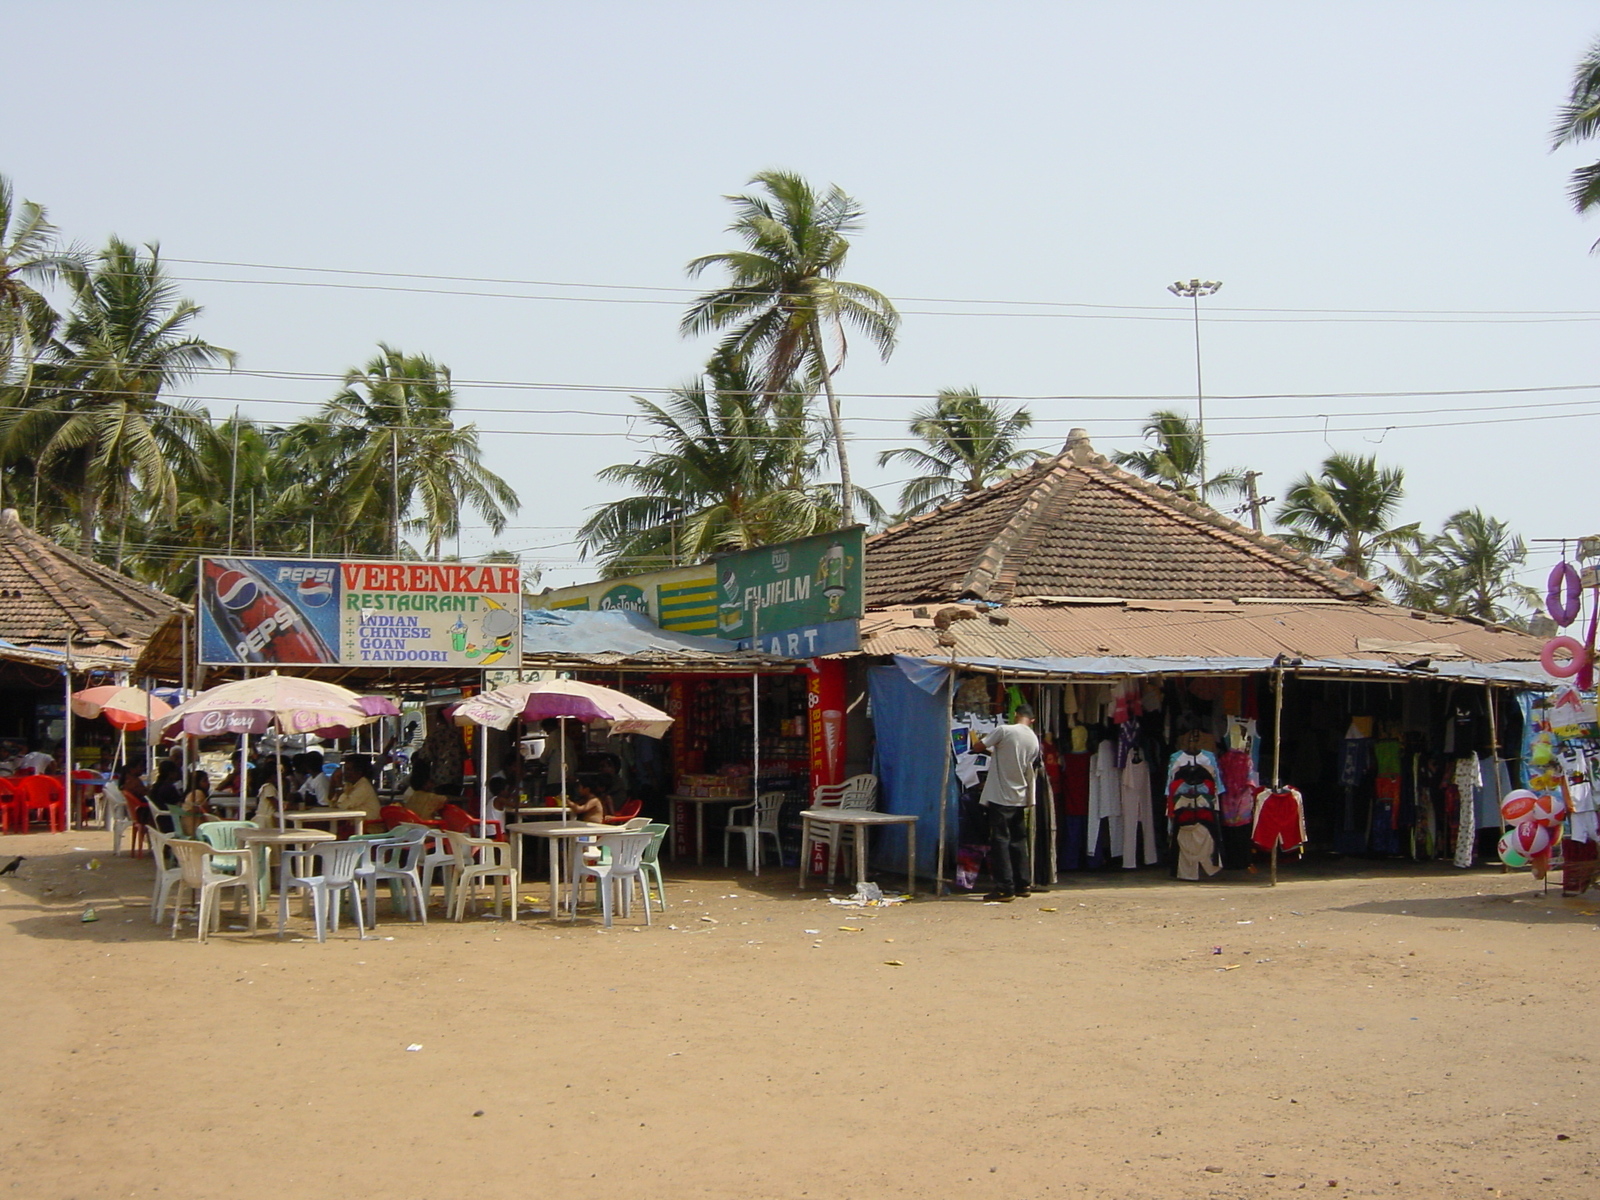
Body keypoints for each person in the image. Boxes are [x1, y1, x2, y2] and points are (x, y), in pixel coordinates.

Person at [973, 705, 1041, 902]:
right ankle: (1023, 884)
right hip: (1020, 796)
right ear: (1032, 720)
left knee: (1000, 841)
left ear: (1015, 715)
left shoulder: (1004, 730)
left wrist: (977, 739)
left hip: (1001, 796)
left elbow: (978, 747)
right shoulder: (1033, 740)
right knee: (1018, 841)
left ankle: (1005, 888)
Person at [335, 754, 382, 826]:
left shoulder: (363, 787)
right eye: (345, 769)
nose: (344, 773)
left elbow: (342, 806)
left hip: (369, 828)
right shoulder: (350, 784)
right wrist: (333, 783)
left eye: (348, 770)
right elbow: (334, 803)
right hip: (356, 824)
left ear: (359, 772)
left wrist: (339, 786)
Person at [146, 759, 183, 833]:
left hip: (158, 821)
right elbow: (178, 806)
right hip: (169, 822)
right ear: (171, 773)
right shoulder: (169, 788)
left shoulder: (155, 787)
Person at [180, 768, 214, 836]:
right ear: (197, 782)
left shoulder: (189, 794)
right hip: (197, 829)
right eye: (204, 781)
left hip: (186, 829)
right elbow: (205, 811)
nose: (208, 783)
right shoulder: (198, 794)